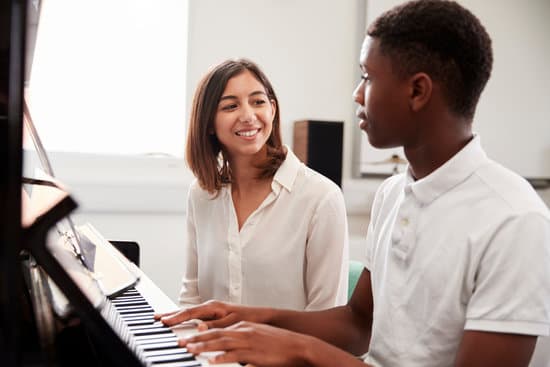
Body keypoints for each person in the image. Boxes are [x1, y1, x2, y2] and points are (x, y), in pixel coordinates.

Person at [159, 1, 550, 366]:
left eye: (367, 76)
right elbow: (358, 323)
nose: (357, 93)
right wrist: (245, 318)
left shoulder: (514, 219)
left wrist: (297, 348)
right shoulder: (394, 193)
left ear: (417, 91)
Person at [179, 58, 349, 311]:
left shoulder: (321, 198)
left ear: (273, 109)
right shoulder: (201, 194)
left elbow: (326, 320)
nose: (248, 116)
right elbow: (192, 297)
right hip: (210, 350)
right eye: (230, 106)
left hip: (289, 351)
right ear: (209, 123)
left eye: (258, 102)